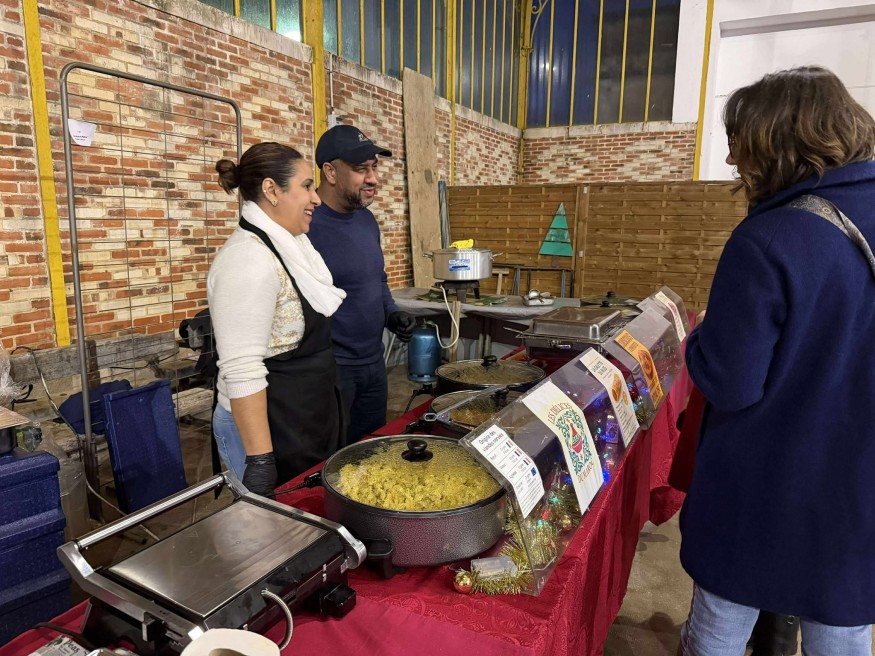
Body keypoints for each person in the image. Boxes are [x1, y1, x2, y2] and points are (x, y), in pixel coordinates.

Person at [678, 66, 875, 655]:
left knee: (719, 628)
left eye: (740, 144)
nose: (734, 161)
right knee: (842, 629)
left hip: (765, 490)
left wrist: (698, 339)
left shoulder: (771, 238)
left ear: (776, 142)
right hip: (858, 490)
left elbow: (731, 382)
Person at [207, 142, 347, 496]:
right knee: (269, 527)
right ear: (271, 190)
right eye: (307, 186)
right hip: (264, 430)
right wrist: (260, 461)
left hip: (300, 417)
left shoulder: (293, 248)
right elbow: (241, 369)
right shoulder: (246, 260)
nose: (316, 199)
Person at [307, 124, 416, 445]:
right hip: (332, 371)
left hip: (374, 364)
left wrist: (391, 313)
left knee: (371, 451)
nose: (373, 179)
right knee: (330, 456)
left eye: (374, 167)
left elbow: (376, 278)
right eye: (361, 169)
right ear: (330, 172)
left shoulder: (366, 220)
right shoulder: (307, 226)